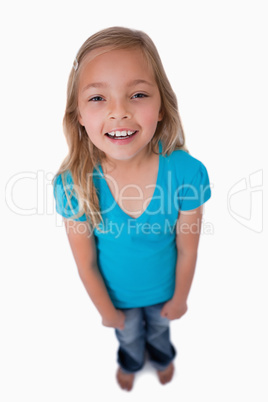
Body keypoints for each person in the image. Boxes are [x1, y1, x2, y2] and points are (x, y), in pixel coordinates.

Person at [53, 26, 211, 391]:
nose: (119, 112)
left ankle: (162, 356)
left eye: (137, 94)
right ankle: (130, 361)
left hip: (164, 293)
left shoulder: (187, 173)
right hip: (117, 301)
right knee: (128, 339)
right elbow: (86, 263)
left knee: (158, 330)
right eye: (97, 98)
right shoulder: (73, 184)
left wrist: (181, 298)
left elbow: (188, 247)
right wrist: (106, 311)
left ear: (160, 107)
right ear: (78, 114)